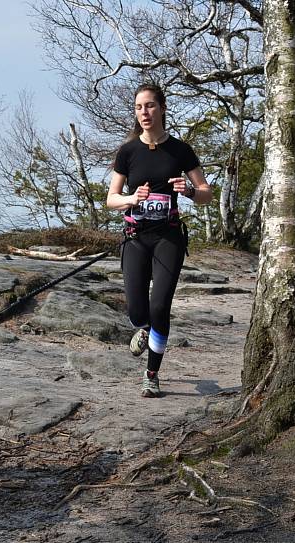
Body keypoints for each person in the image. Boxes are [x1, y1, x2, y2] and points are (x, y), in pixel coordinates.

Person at [106, 83, 212, 398]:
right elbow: (111, 198)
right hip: (135, 237)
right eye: (139, 108)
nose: (144, 113)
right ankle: (144, 327)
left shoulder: (180, 150)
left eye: (150, 106)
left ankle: (152, 374)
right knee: (138, 311)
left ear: (162, 108)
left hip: (168, 237)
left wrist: (190, 191)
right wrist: (130, 198)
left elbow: (206, 194)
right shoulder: (128, 151)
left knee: (160, 305)